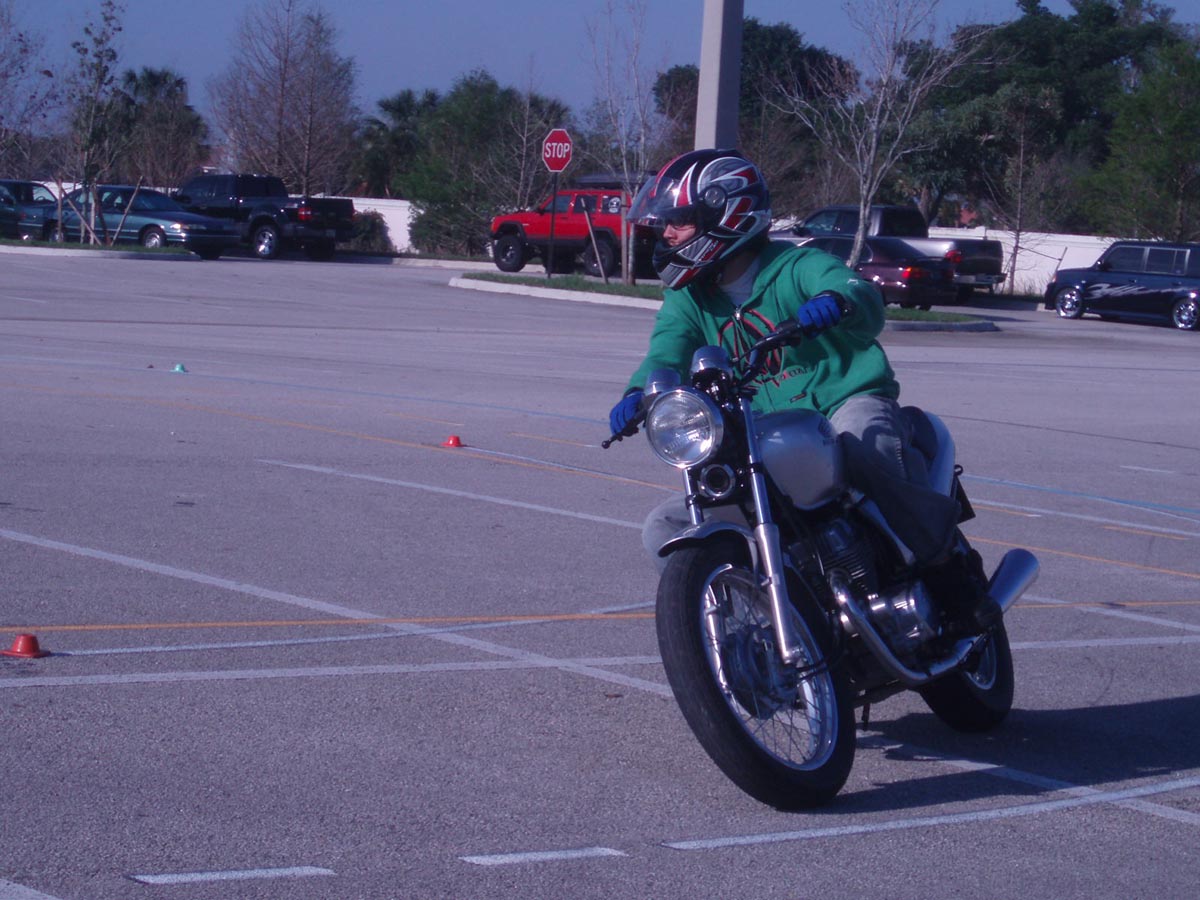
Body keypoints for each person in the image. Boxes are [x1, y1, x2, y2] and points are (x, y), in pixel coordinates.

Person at [608, 148, 999, 634]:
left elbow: (857, 292)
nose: (666, 234)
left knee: (864, 443)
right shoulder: (689, 299)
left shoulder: (798, 266)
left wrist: (837, 300)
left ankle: (950, 576)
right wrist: (639, 393)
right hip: (763, 430)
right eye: (665, 223)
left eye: (679, 221)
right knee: (666, 525)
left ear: (727, 215)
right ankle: (756, 637)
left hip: (841, 403)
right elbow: (666, 351)